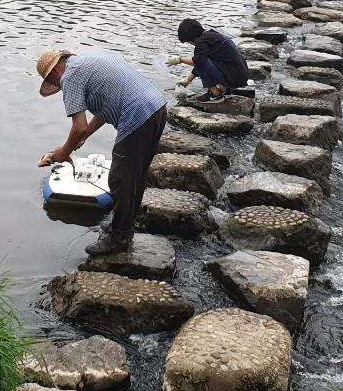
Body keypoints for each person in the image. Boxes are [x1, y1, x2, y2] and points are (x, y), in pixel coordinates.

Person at [36, 50, 167, 256]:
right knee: (136, 176)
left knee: (119, 178)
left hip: (136, 115)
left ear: (53, 73)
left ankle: (119, 237)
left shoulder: (69, 77)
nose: (59, 86)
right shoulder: (90, 61)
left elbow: (78, 126)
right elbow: (104, 111)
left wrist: (64, 151)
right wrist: (84, 135)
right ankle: (124, 226)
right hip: (157, 108)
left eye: (54, 81)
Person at [166, 19, 248, 103]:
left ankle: (215, 94)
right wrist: (187, 80)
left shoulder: (201, 42)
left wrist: (180, 60)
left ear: (189, 37)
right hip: (241, 74)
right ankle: (225, 90)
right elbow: (203, 62)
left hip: (233, 77)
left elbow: (199, 62)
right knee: (201, 59)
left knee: (199, 60)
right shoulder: (211, 35)